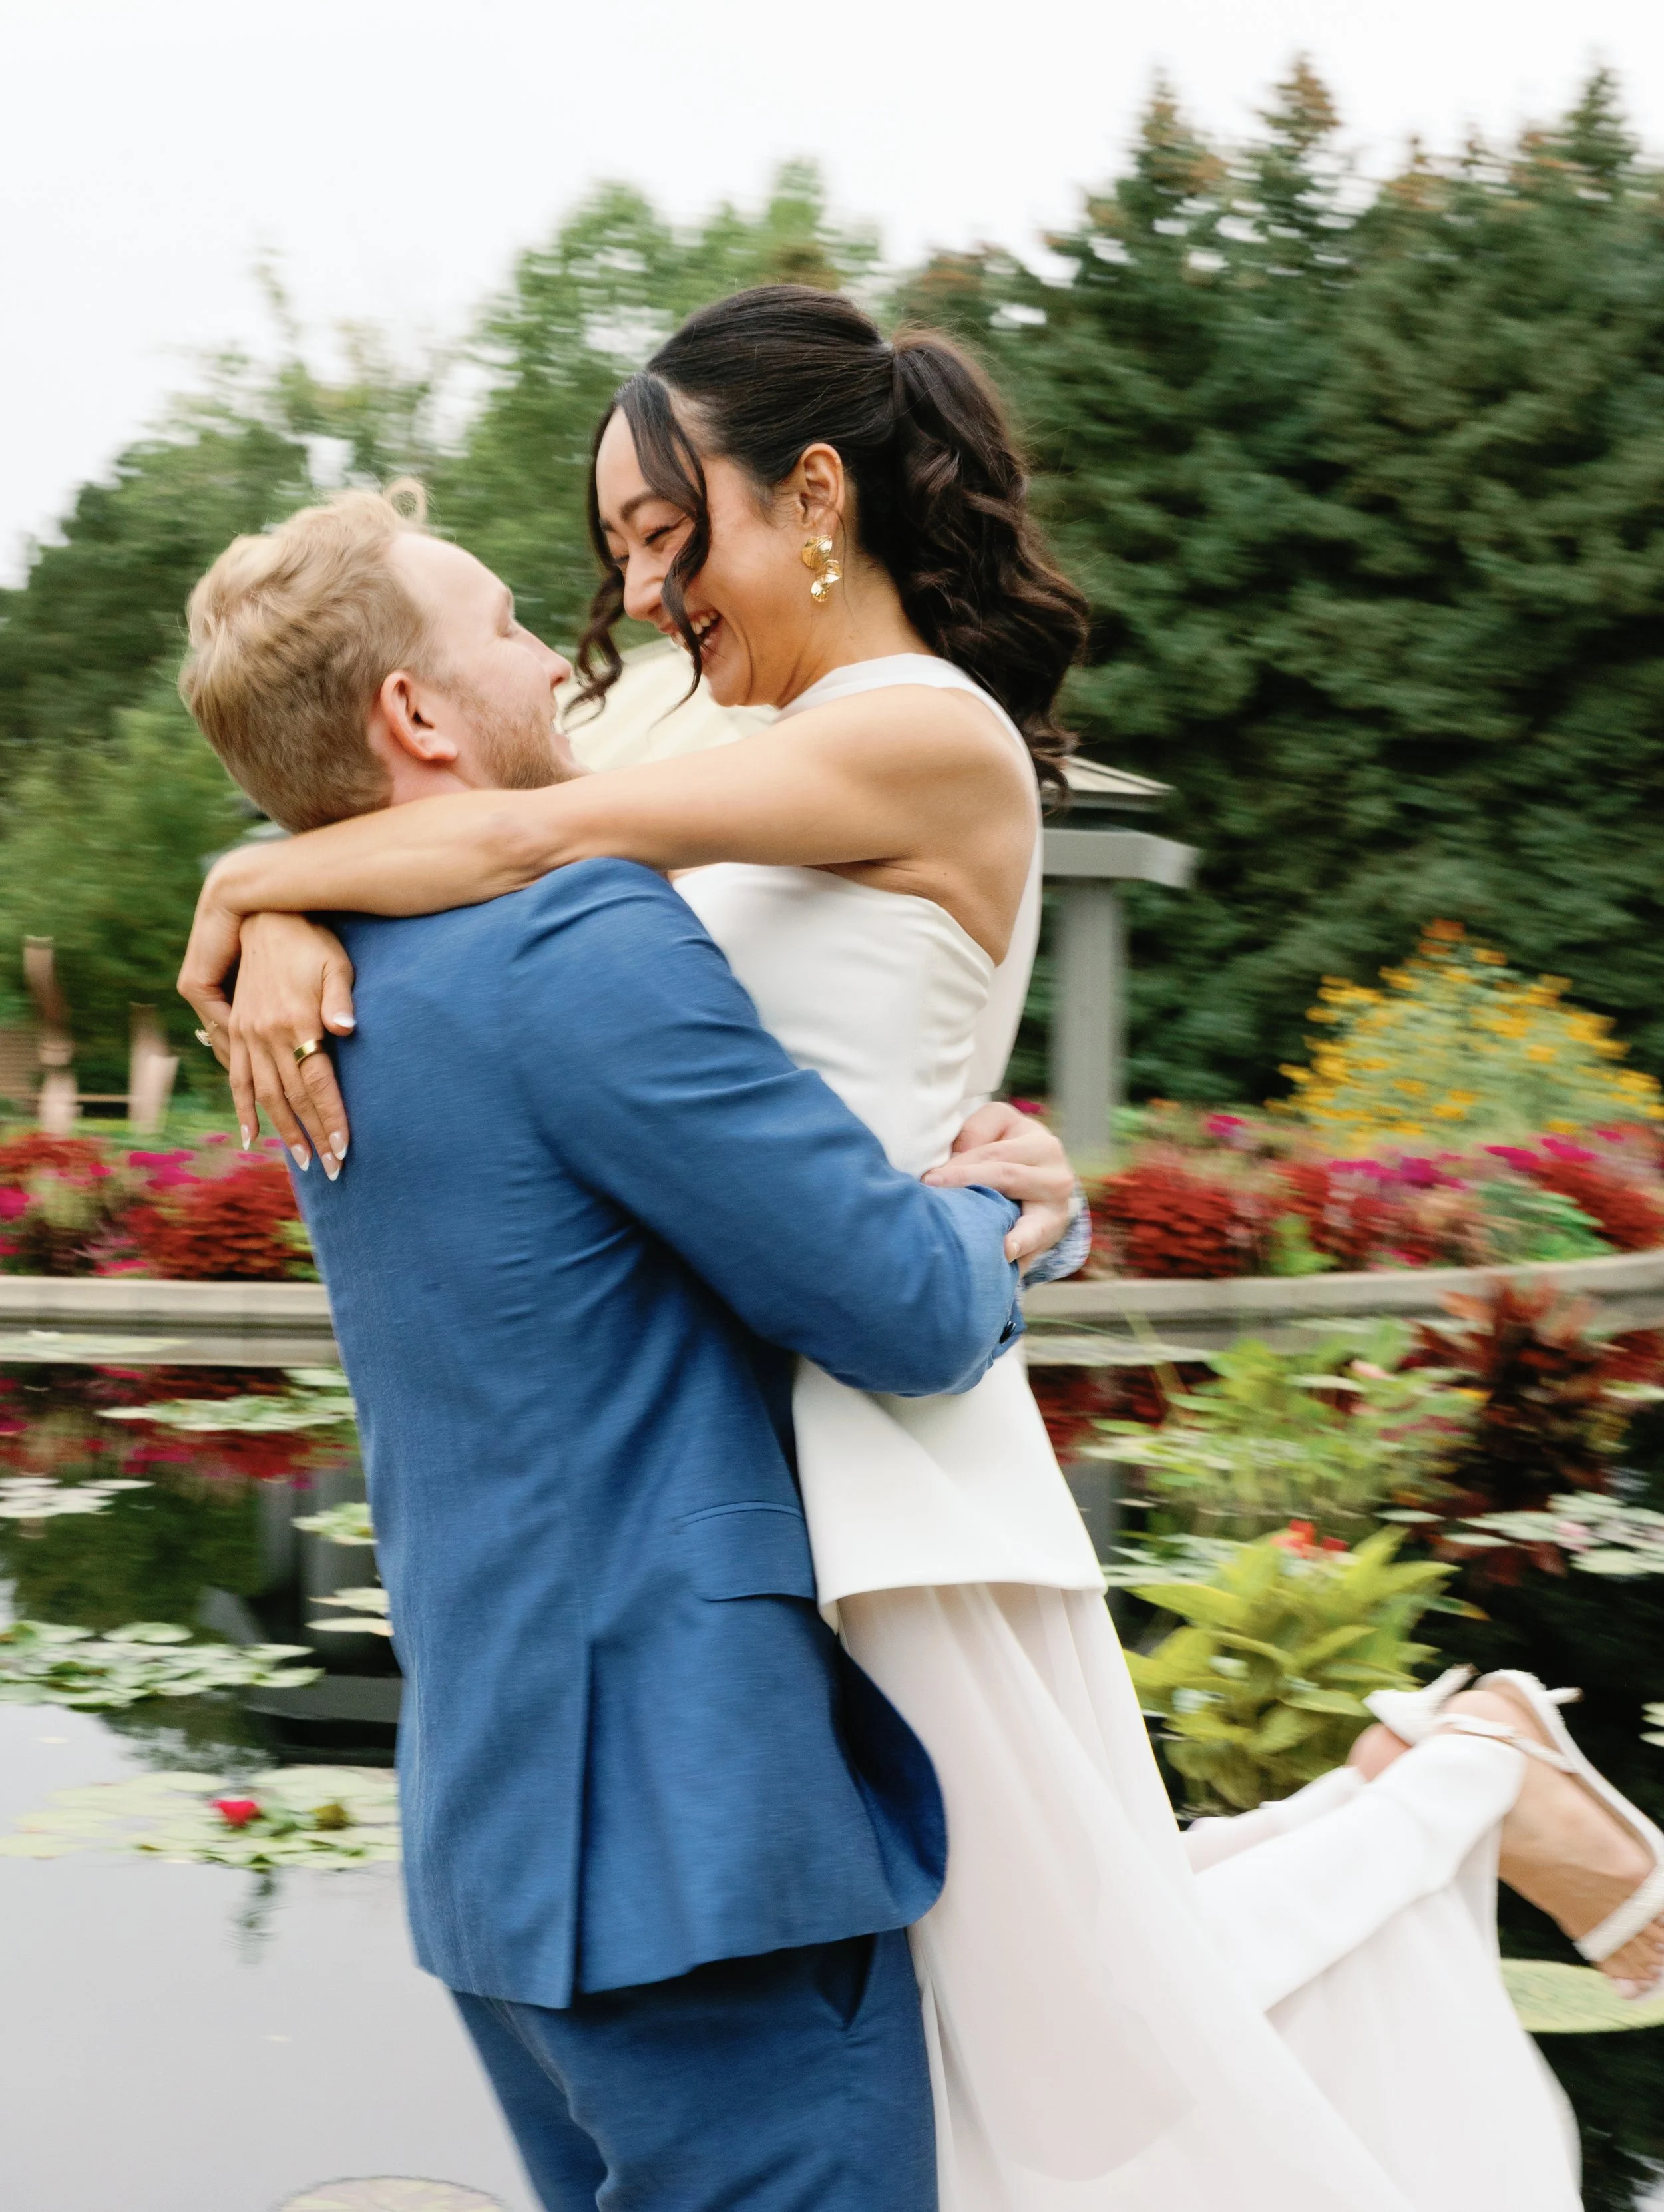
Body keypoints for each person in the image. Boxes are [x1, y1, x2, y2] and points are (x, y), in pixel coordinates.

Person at [177, 287, 1663, 2211]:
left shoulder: (917, 734)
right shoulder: (696, 736)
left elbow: (510, 836)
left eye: (658, 532)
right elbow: (440, 792)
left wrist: (266, 878)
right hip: (779, 1465)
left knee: (1091, 2026)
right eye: (598, 556)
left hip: (887, 1446)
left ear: (809, 495)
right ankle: (1444, 1777)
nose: (616, 605)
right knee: (1067, 2015)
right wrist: (291, 890)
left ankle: (1466, 1774)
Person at [174, 479, 1086, 2212]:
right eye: (509, 627)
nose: (555, 657)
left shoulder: (317, 983)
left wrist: (276, 881)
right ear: (418, 716)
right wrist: (1021, 1212)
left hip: (498, 1844)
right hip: (704, 1842)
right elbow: (895, 1307)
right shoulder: (572, 939)